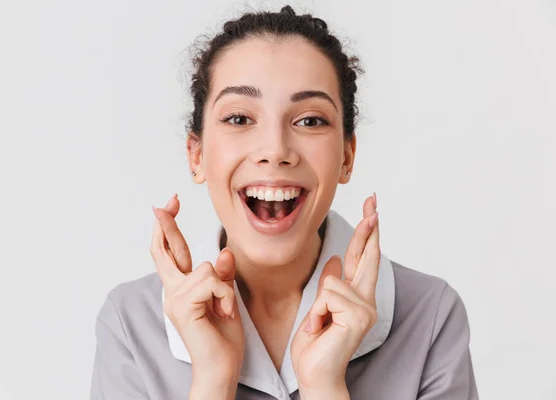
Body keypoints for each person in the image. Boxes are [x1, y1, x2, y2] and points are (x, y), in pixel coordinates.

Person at [90, 5, 478, 400]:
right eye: (240, 119)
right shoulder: (130, 324)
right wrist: (212, 381)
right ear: (196, 154)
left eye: (309, 120)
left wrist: (324, 386)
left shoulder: (430, 316)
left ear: (347, 156)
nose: (275, 151)